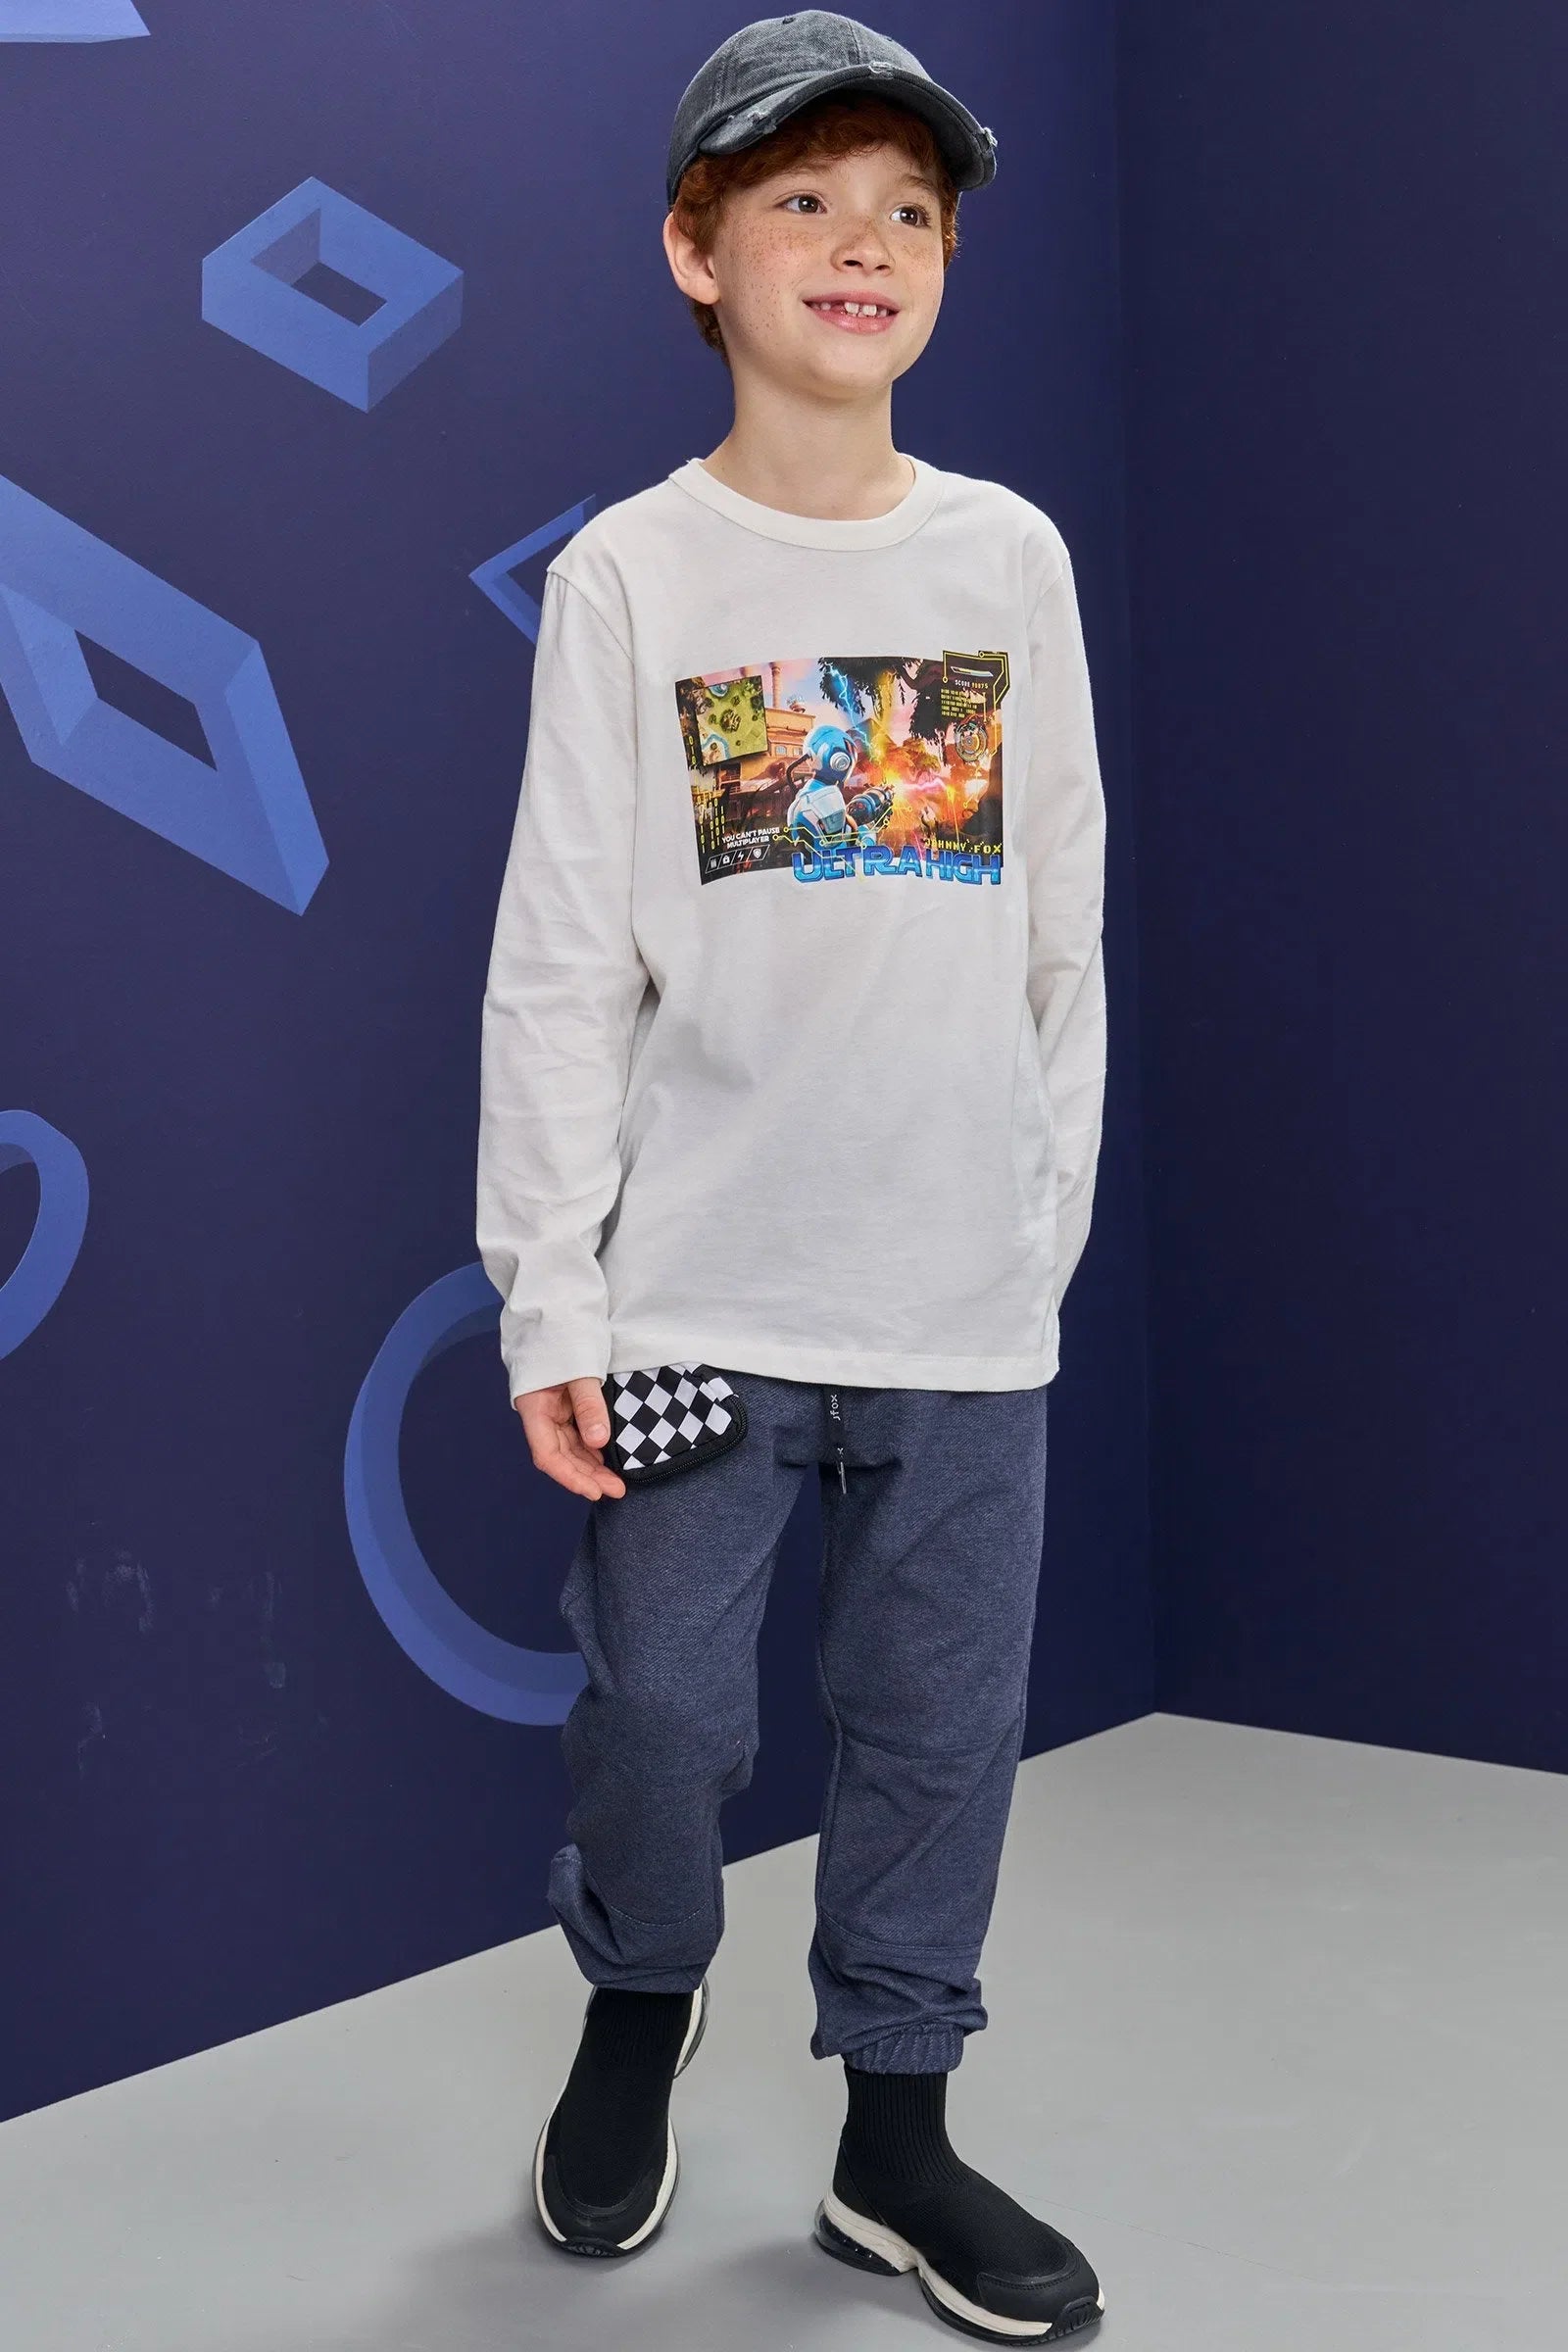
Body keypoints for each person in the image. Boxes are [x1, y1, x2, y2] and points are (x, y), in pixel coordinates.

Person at [475, 11, 1108, 2340]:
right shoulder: (633, 575)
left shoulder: (1002, 557)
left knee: (932, 1735)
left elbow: (1058, 937)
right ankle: (639, 1994)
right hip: (697, 1293)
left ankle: (892, 2139)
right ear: (695, 250)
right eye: (804, 200)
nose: (863, 243)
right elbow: (560, 963)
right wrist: (554, 1296)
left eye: (906, 209)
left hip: (954, 1300)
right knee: (658, 1713)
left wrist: (1028, 1238)